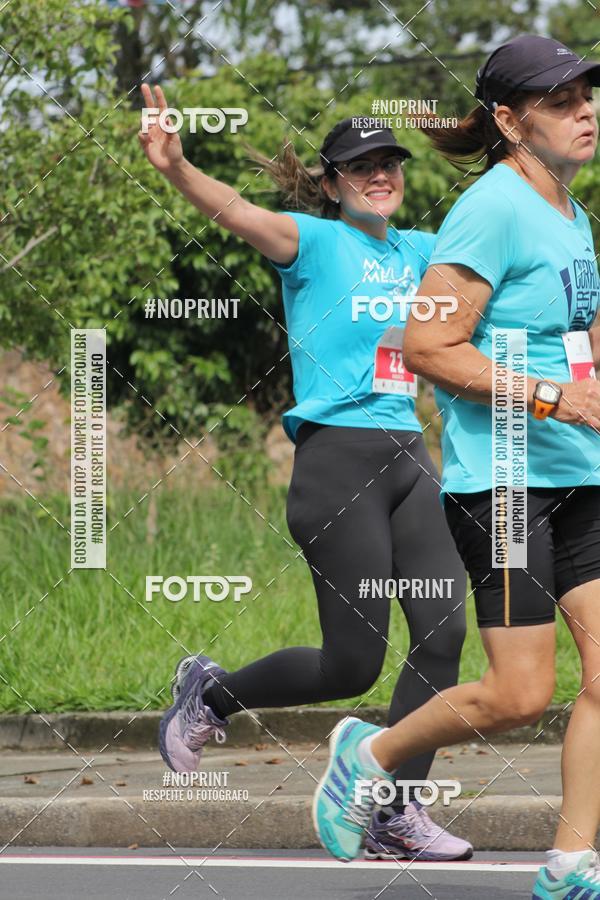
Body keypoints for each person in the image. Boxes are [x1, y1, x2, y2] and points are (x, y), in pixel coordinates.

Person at [139, 87, 471, 861]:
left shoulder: (423, 252)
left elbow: (500, 262)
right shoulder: (314, 243)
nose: (380, 175)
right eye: (362, 166)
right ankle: (210, 693)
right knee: (350, 665)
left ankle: (394, 810)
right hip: (336, 462)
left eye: (389, 163)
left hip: (409, 457)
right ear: (330, 182)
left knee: (444, 632)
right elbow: (236, 213)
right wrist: (178, 167)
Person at [312, 33, 600, 898]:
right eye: (560, 101)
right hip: (507, 484)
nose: (585, 112)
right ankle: (369, 754)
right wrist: (550, 397)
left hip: (579, 473)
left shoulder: (571, 212)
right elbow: (428, 346)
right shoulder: (492, 208)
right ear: (509, 121)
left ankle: (571, 862)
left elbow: (576, 339)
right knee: (518, 694)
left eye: (586, 96)